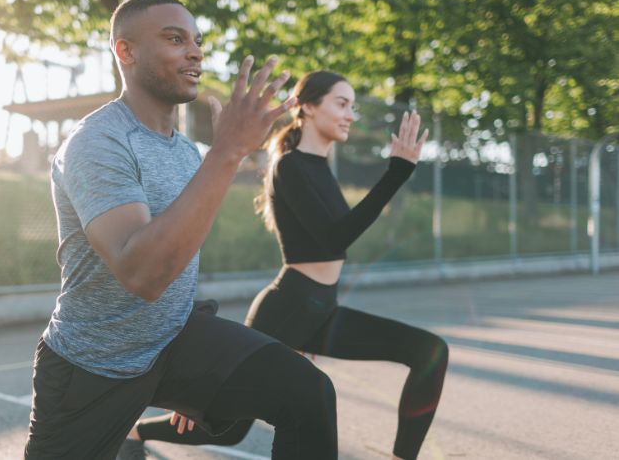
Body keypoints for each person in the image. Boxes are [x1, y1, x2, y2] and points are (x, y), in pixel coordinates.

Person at [25, 0, 341, 459]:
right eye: (175, 39)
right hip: (93, 365)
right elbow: (143, 274)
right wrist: (227, 152)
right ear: (126, 52)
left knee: (307, 392)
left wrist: (203, 379)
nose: (195, 52)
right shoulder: (96, 144)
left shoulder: (186, 152)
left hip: (172, 341)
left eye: (197, 41)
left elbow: (180, 254)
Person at [126, 71, 449, 460]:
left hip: (321, 310)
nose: (350, 114)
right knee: (229, 428)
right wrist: (396, 171)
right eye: (341, 103)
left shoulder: (320, 166)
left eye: (353, 106)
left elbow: (336, 237)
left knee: (429, 350)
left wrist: (398, 171)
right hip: (288, 308)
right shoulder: (290, 166)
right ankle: (136, 432)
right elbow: (333, 239)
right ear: (308, 107)